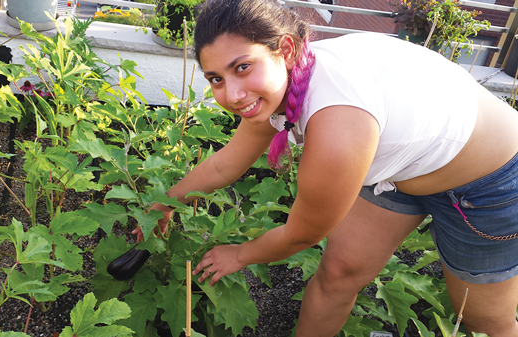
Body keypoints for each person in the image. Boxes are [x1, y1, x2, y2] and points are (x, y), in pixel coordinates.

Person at [132, 0, 518, 335]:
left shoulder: (338, 122)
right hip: (399, 162)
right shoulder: (285, 83)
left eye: (243, 67)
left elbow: (301, 235)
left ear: (284, 49)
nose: (231, 94)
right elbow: (222, 166)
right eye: (216, 78)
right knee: (339, 273)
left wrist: (240, 254)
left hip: (489, 182)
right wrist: (165, 203)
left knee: (482, 319)